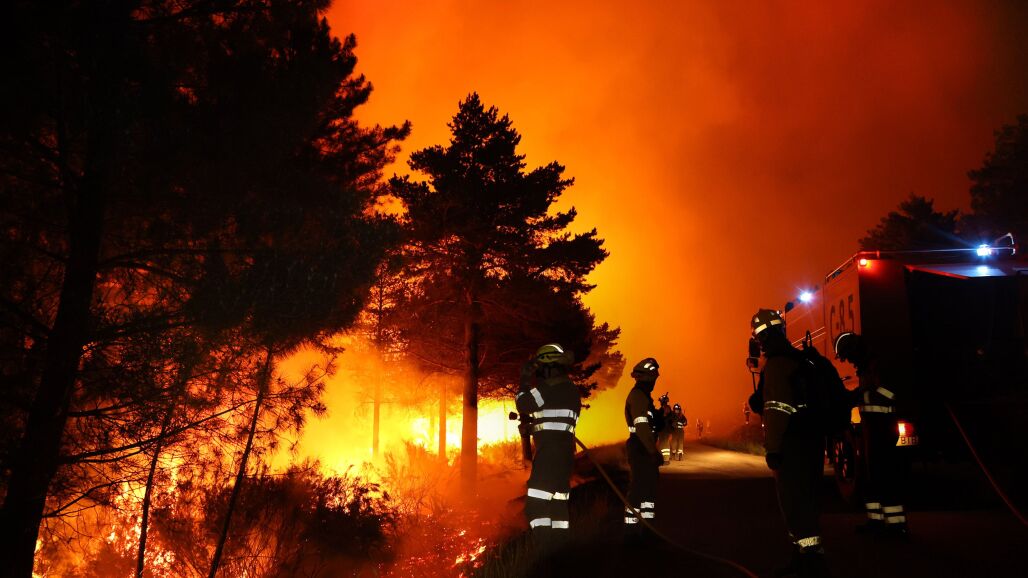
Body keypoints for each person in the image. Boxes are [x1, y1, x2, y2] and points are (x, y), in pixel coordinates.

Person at [750, 309, 830, 577]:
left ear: (762, 338)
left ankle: (810, 563)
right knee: (807, 500)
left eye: (758, 339)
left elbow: (776, 411)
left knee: (794, 503)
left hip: (791, 445)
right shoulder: (799, 360)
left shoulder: (776, 366)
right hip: (811, 441)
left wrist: (773, 449)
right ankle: (805, 557)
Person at [834, 332, 909, 537]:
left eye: (849, 356)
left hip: (883, 429)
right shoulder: (866, 366)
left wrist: (861, 396)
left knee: (886, 478)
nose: (850, 362)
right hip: (872, 429)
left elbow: (889, 393)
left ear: (854, 350)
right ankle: (876, 522)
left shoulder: (876, 365)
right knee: (873, 477)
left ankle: (895, 526)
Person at [515, 343, 581, 549]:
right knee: (558, 505)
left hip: (548, 456)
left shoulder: (545, 389)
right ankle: (560, 549)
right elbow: (555, 421)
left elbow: (522, 403)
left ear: (550, 367)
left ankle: (545, 549)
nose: (540, 374)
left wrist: (524, 380)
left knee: (534, 506)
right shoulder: (571, 390)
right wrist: (533, 428)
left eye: (541, 369)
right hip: (565, 455)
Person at [623, 357, 662, 542]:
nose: (654, 382)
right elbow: (642, 427)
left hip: (643, 446)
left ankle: (647, 530)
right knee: (639, 490)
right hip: (640, 447)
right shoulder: (638, 397)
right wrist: (652, 451)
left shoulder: (644, 397)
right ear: (646, 378)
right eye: (653, 379)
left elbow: (650, 423)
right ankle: (631, 533)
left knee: (648, 491)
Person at [656, 392, 672, 464]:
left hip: (665, 429)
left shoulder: (666, 408)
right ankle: (663, 458)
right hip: (662, 429)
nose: (660, 402)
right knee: (662, 443)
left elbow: (664, 417)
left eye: (661, 401)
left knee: (665, 444)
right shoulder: (663, 408)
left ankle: (666, 459)